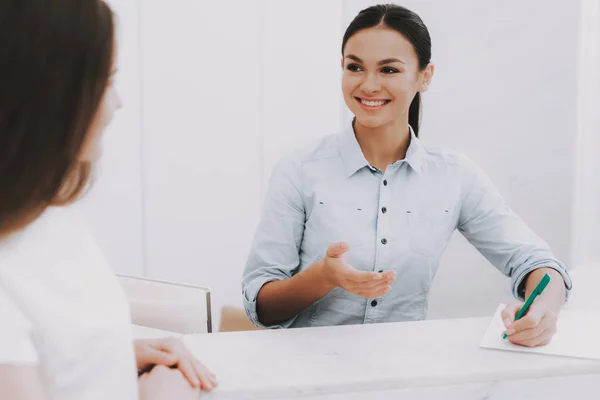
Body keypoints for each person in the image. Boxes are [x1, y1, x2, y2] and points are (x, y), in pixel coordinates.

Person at [241, 3, 572, 348]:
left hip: (404, 373)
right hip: (302, 375)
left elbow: (539, 264)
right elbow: (260, 306)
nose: (369, 85)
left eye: (388, 70)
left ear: (424, 76)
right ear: (342, 67)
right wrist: (322, 277)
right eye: (355, 67)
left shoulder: (453, 176)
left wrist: (542, 312)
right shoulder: (299, 170)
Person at [0, 1, 216, 398]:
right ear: (49, 97)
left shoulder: (49, 214)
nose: (117, 103)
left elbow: (48, 343)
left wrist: (105, 358)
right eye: (106, 81)